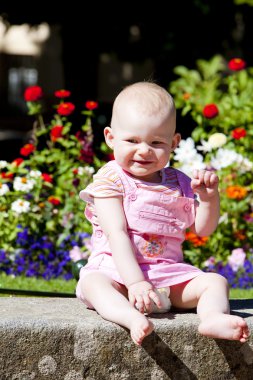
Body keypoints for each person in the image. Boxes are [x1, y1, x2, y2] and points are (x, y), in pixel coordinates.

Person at [76, 82, 250, 346]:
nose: (144, 150)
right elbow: (116, 233)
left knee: (215, 282)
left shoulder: (179, 182)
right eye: (132, 140)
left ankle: (212, 317)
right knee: (94, 285)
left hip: (167, 276)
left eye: (156, 142)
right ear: (111, 137)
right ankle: (130, 317)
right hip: (118, 276)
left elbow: (203, 229)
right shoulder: (110, 180)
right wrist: (134, 283)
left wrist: (208, 197)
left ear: (174, 142)